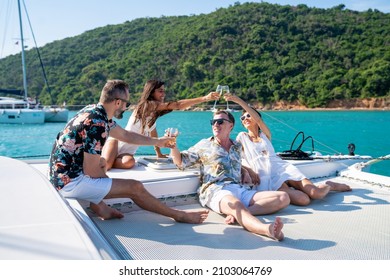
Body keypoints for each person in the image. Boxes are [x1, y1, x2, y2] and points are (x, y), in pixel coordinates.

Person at [49, 79, 209, 224]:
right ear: (118, 102)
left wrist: (158, 142)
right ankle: (179, 215)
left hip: (61, 174)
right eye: (126, 102)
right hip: (69, 182)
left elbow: (125, 135)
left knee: (103, 162)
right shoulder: (96, 124)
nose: (127, 107)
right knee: (135, 187)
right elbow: (92, 172)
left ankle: (100, 207)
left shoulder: (93, 111)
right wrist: (117, 186)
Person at [169, 109, 289, 241]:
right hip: (216, 190)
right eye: (213, 122)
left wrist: (246, 170)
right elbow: (180, 162)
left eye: (220, 122)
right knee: (237, 205)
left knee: (283, 197)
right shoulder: (204, 145)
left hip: (239, 189)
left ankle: (240, 214)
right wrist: (173, 145)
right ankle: (267, 230)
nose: (215, 125)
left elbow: (236, 162)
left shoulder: (237, 146)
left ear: (231, 125)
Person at [224, 93, 351, 206]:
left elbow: (257, 118)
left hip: (281, 168)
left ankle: (330, 185)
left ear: (257, 119)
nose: (245, 118)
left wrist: (239, 101)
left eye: (248, 115)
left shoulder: (265, 135)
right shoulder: (242, 137)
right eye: (242, 118)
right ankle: (294, 188)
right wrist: (248, 170)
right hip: (267, 177)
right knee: (303, 200)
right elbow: (235, 158)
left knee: (316, 193)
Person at [102, 79, 220, 170]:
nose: (163, 93)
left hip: (127, 152)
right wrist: (205, 98)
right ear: (151, 92)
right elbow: (178, 105)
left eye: (164, 90)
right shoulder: (146, 105)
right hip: (116, 142)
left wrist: (158, 153)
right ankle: (105, 161)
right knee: (106, 166)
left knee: (129, 162)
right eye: (160, 91)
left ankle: (108, 161)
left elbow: (154, 133)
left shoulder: (151, 114)